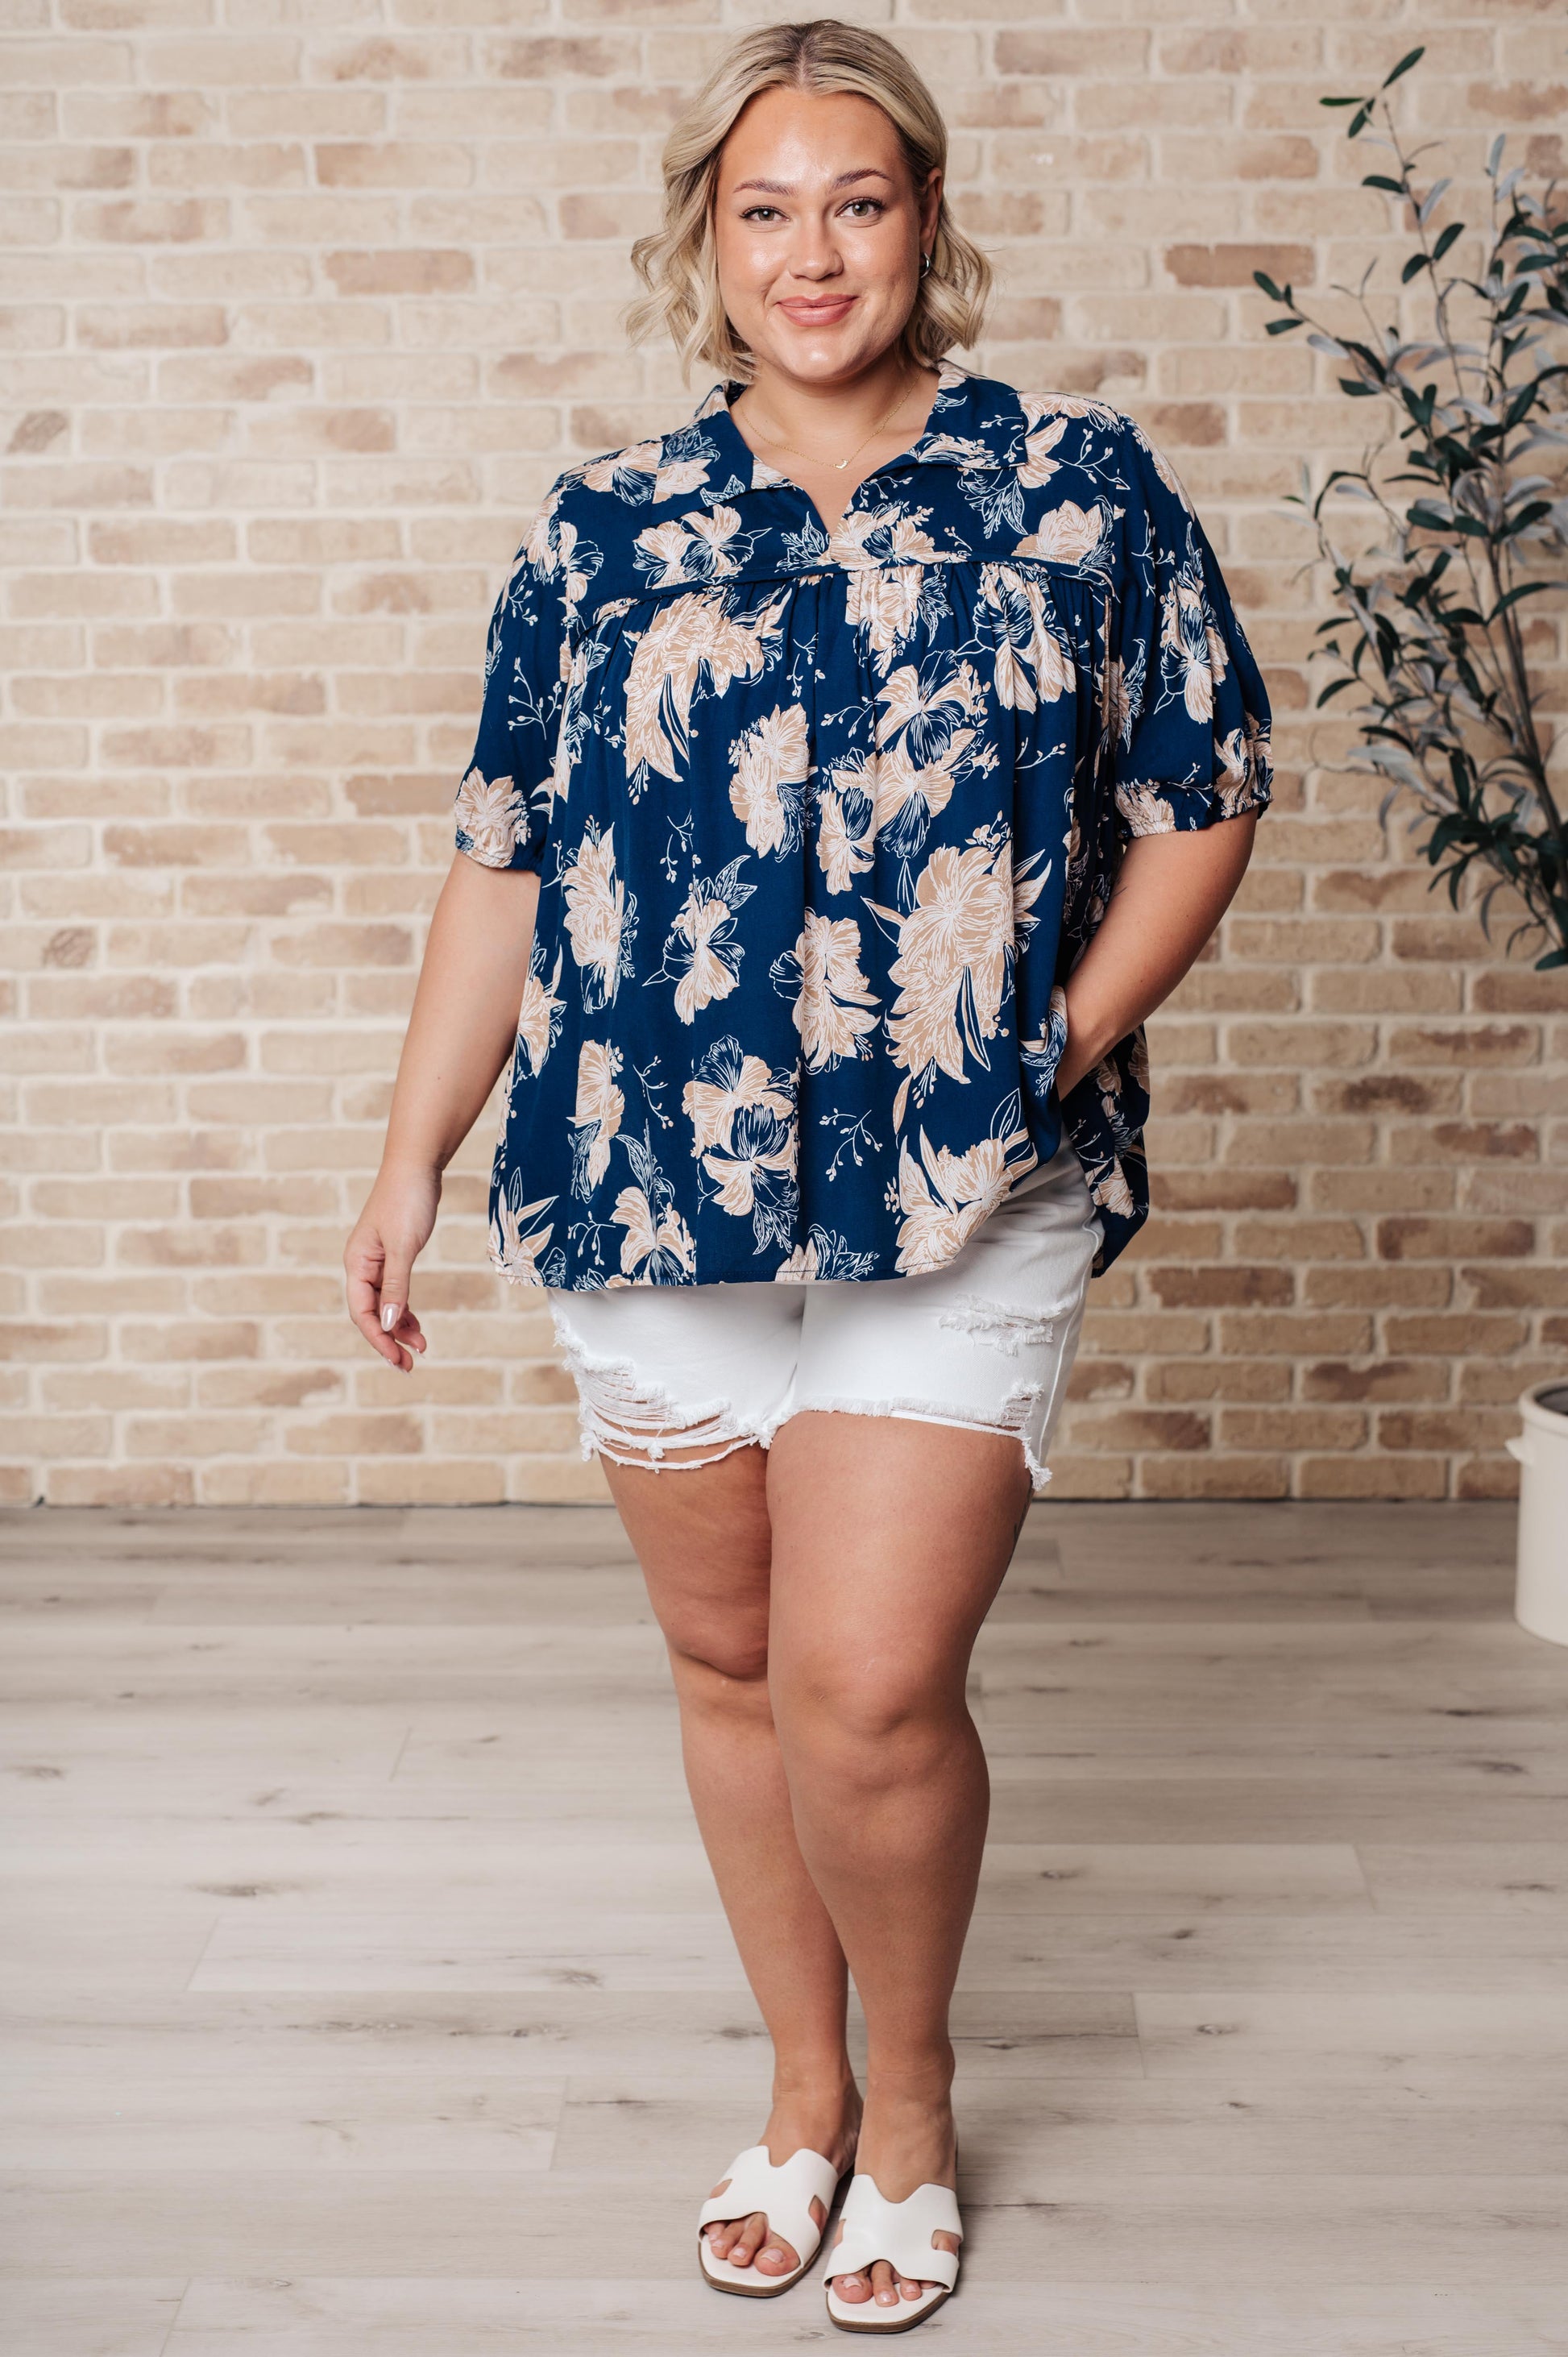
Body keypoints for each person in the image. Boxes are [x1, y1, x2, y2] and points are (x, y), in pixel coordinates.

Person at [343, 18, 1272, 2334]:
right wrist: (408, 1154)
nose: (813, 252)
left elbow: (1205, 790)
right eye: (765, 210)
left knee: (866, 1685)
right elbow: (506, 857)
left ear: (925, 219)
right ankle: (802, 2089)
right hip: (644, 1182)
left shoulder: (1073, 487)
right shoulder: (604, 524)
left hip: (960, 1192)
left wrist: (1050, 1039)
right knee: (733, 1662)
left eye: (856, 201)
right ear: (707, 238)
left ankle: (919, 2104)